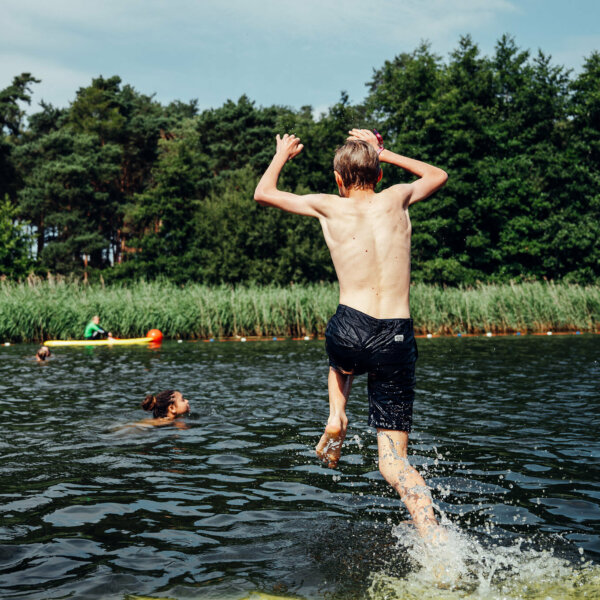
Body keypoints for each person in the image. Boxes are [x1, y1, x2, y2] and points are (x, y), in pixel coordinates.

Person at [254, 129, 448, 541]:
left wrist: (282, 155)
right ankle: (436, 539)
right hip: (395, 335)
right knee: (393, 462)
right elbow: (437, 175)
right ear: (377, 176)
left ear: (339, 181)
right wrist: (385, 152)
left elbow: (264, 193)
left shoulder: (328, 206)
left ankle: (336, 413)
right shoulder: (397, 196)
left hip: (350, 329)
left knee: (341, 356)